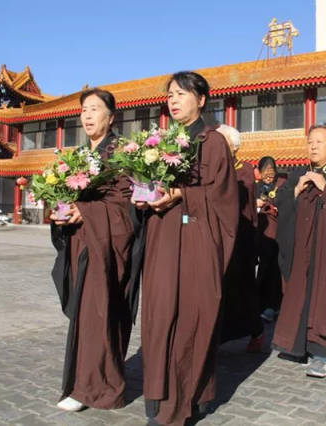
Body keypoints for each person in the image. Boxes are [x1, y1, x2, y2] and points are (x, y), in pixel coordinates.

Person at [135, 71, 238, 425]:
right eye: (170, 95)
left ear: (202, 99)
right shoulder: (162, 143)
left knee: (190, 319)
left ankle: (175, 406)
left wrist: (182, 194)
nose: (173, 100)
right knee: (161, 315)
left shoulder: (212, 142)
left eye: (181, 93)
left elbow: (223, 197)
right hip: (163, 238)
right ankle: (180, 393)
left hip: (196, 240)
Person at [49, 89, 137, 412]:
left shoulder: (120, 153)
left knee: (98, 316)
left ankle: (98, 388)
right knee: (86, 316)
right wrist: (62, 211)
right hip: (83, 244)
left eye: (95, 109)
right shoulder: (80, 155)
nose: (87, 116)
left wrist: (85, 212)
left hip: (106, 248)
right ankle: (84, 383)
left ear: (111, 117)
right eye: (84, 110)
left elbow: (126, 207)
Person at [272, 125, 326, 378]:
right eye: (310, 142)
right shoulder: (299, 173)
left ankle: (321, 354)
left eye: (319, 142)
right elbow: (281, 200)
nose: (313, 147)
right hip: (301, 250)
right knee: (299, 293)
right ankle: (297, 346)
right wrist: (296, 191)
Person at [216, 124, 264, 352]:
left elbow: (238, 197)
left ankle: (257, 331)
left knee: (244, 288)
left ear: (233, 148)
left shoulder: (243, 170)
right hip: (219, 237)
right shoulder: (216, 168)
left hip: (241, 239)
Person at [255, 156, 287, 322]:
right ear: (259, 173)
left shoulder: (282, 185)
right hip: (263, 236)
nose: (268, 174)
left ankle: (277, 306)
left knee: (278, 271)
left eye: (271, 171)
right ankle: (263, 305)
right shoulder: (257, 187)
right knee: (264, 269)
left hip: (279, 235)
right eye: (265, 171)